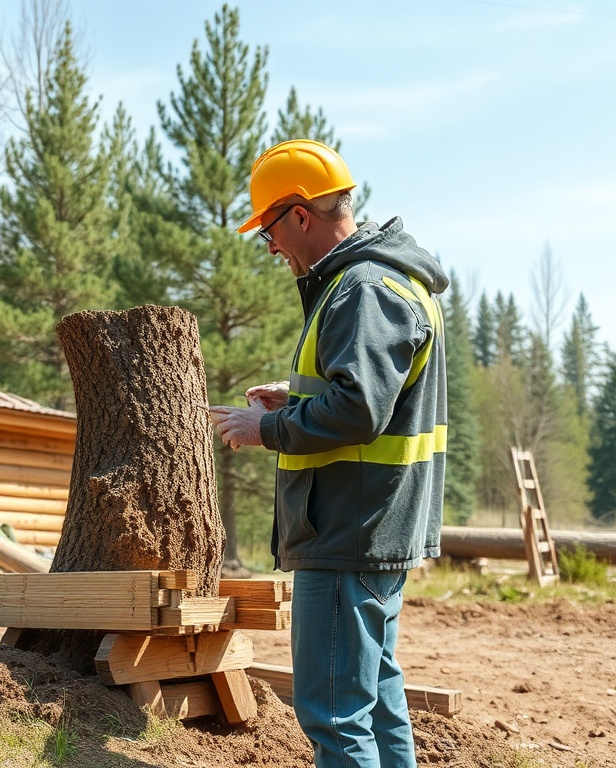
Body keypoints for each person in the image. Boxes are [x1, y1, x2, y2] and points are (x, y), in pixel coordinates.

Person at [208, 139, 448, 768]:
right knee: (375, 699)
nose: (271, 248)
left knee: (334, 713)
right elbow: (373, 394)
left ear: (300, 216)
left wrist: (269, 429)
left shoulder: (362, 289)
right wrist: (294, 396)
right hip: (370, 527)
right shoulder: (384, 282)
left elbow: (358, 411)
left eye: (269, 230)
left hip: (349, 530)